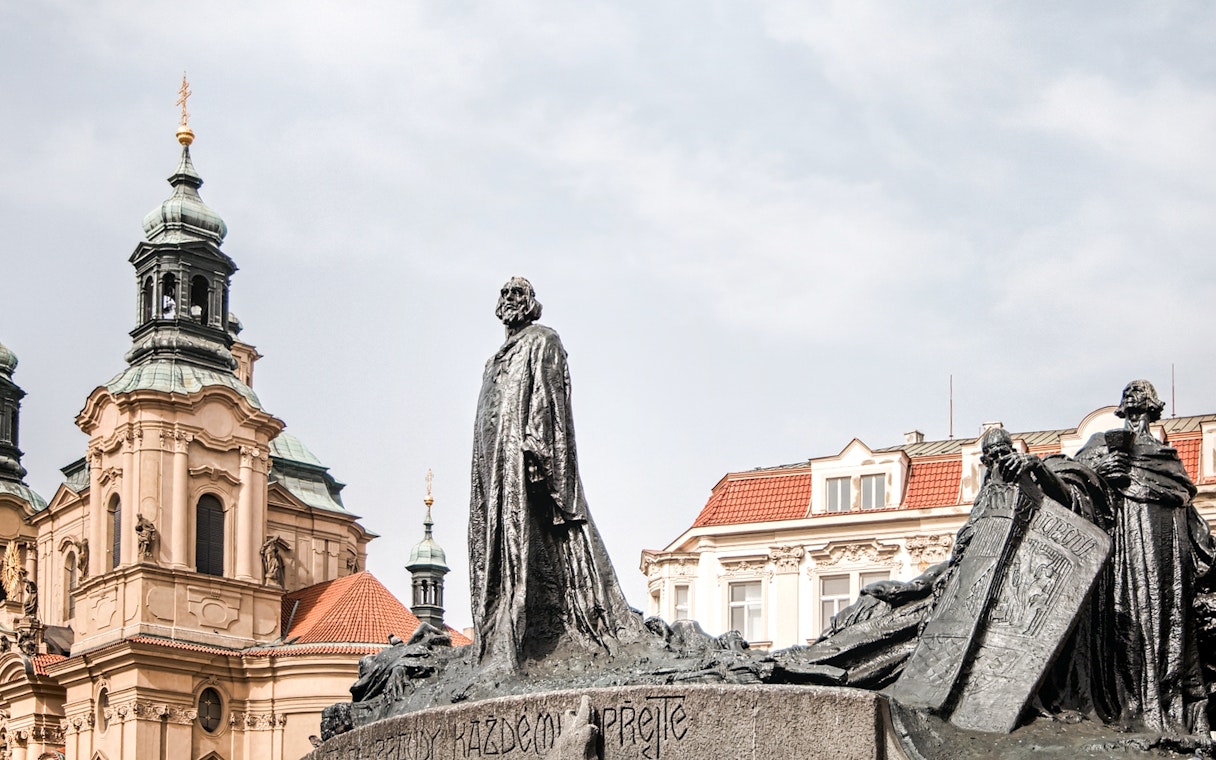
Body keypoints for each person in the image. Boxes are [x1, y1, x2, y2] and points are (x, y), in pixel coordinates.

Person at [468, 277, 642, 673]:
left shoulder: (543, 340)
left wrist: (538, 451)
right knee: (495, 540)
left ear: (531, 304)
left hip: (522, 461)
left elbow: (548, 399)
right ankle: (497, 632)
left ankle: (530, 634)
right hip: (491, 465)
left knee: (532, 542)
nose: (510, 300)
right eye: (504, 294)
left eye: (518, 294)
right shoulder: (494, 359)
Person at [1076, 380, 1214, 735]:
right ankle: (1130, 708)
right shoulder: (1101, 445)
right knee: (1127, 621)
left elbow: (1183, 496)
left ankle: (1171, 715)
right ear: (1124, 410)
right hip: (1125, 547)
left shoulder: (1167, 456)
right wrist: (1103, 475)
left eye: (1142, 407)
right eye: (1130, 408)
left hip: (1168, 547)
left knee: (1171, 625)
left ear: (1152, 410)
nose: (1136, 415)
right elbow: (1075, 483)